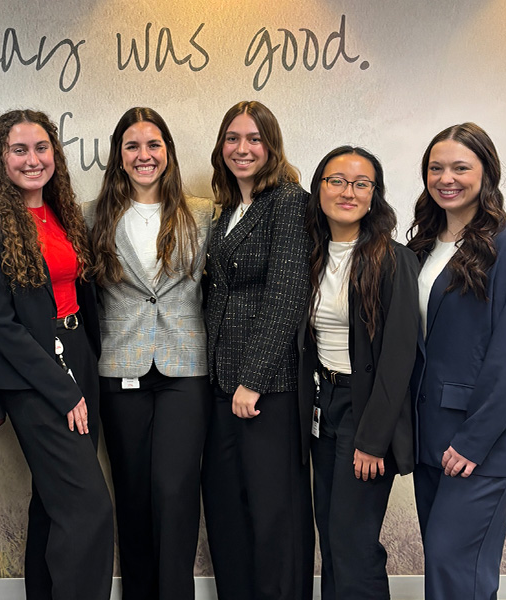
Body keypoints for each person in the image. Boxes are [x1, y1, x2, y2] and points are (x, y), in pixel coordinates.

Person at [0, 109, 114, 600]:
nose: (33, 159)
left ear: (55, 154)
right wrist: (61, 389)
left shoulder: (65, 213)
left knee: (53, 504)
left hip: (78, 357)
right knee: (87, 508)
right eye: (19, 150)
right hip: (35, 377)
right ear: (0, 159)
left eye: (41, 148)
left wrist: (89, 368)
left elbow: (85, 297)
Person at [407, 123, 506, 600]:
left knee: (456, 571)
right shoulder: (423, 246)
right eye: (436, 167)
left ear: (486, 172)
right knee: (445, 572)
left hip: (480, 444)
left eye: (461, 167)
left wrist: (472, 442)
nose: (447, 177)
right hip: (430, 437)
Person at [83, 107, 212, 600]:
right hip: (120, 368)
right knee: (133, 494)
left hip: (186, 368)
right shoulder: (93, 215)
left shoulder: (202, 212)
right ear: (120, 155)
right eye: (133, 146)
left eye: (153, 145)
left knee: (175, 492)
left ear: (168, 152)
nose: (144, 155)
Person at [201, 100, 314, 600]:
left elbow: (287, 293)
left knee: (274, 514)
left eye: (253, 138)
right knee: (228, 509)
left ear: (271, 145)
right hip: (219, 382)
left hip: (264, 386)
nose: (242, 148)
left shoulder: (289, 201)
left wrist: (253, 378)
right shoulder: (226, 209)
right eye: (232, 138)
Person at [298, 146, 419, 599]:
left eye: (360, 183)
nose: (347, 191)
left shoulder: (393, 260)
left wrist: (372, 441)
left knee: (353, 543)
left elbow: (398, 358)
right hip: (322, 405)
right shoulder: (311, 255)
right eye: (336, 180)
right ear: (319, 188)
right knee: (331, 538)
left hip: (365, 411)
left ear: (374, 195)